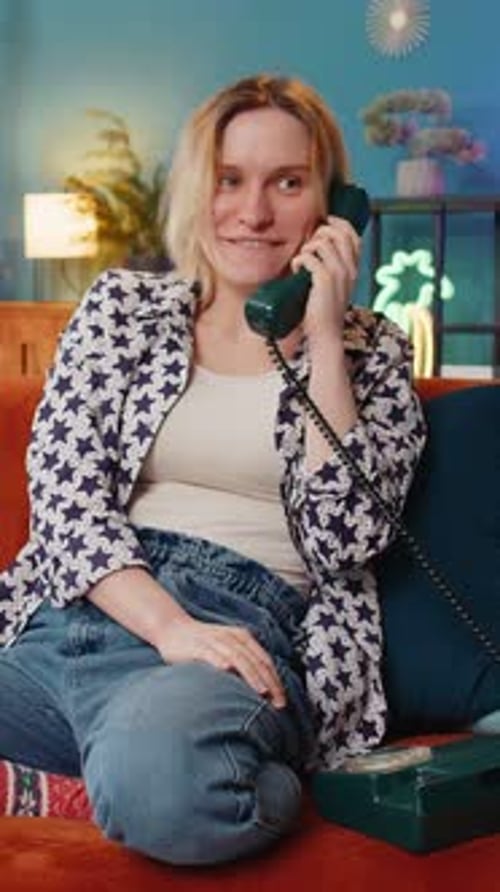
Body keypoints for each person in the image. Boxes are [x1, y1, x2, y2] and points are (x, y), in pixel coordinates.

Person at [0, 73, 426, 865]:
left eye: (287, 183)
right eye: (230, 180)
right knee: (138, 765)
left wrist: (326, 335)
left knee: (161, 776)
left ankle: (159, 780)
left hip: (241, 635)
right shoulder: (123, 309)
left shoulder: (375, 351)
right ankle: (101, 780)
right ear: (200, 188)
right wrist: (168, 627)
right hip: (89, 612)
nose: (253, 212)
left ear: (333, 205)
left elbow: (347, 539)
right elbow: (65, 498)